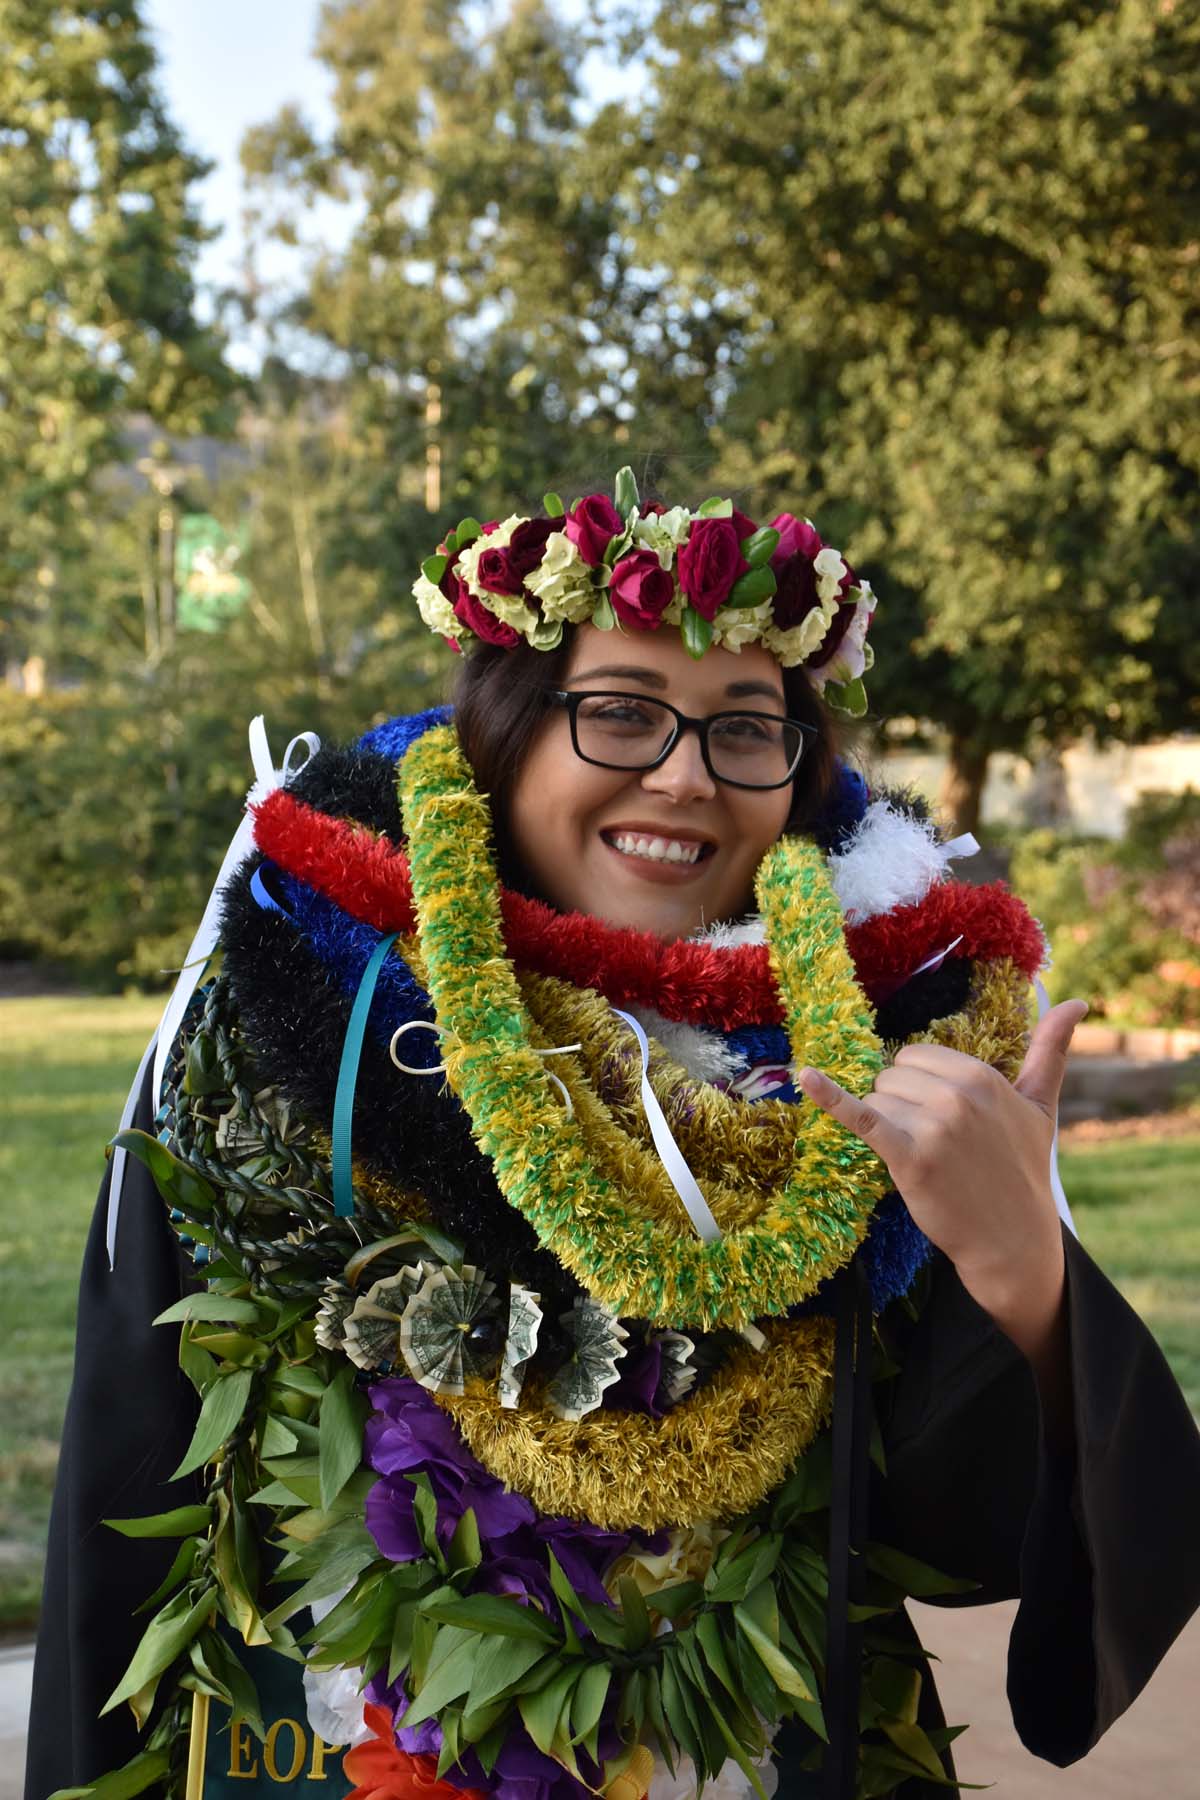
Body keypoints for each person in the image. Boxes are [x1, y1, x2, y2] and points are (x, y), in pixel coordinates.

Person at [27, 471, 1200, 1800]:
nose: (688, 779)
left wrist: (1023, 1276)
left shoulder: (885, 1050)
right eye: (622, 715)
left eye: (745, 732)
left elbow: (983, 1546)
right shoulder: (297, 1020)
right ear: (507, 736)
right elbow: (126, 1499)